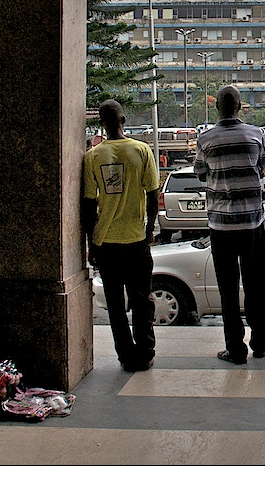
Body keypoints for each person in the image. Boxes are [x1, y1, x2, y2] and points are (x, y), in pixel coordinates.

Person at [194, 86, 265, 364]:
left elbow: (200, 173)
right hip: (252, 222)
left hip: (220, 226)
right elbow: (262, 168)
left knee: (227, 289)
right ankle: (261, 342)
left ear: (217, 106)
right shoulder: (255, 135)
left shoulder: (205, 139)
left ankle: (235, 348)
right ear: (239, 106)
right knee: (257, 284)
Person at [83, 100, 161, 372]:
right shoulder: (141, 150)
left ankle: (126, 356)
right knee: (141, 301)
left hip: (106, 242)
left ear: (101, 124)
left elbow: (88, 204)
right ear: (123, 120)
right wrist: (149, 230)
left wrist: (91, 243)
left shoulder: (93, 156)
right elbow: (153, 196)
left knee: (115, 305)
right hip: (136, 240)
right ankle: (145, 353)